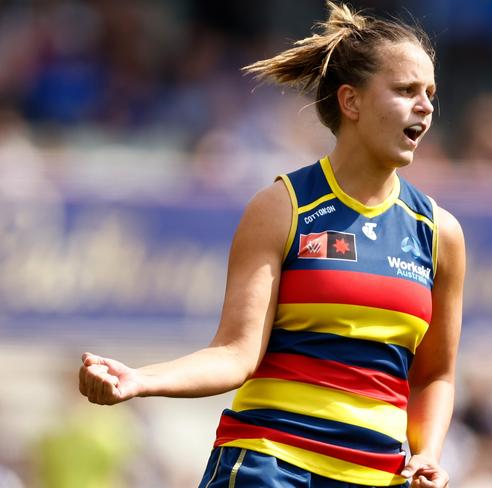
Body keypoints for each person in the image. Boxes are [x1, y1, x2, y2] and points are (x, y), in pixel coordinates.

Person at [78, 3, 465, 487]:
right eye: (406, 90)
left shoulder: (438, 232)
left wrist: (427, 453)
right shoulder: (283, 207)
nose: (426, 106)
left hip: (376, 477)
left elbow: (434, 377)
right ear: (352, 102)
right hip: (271, 464)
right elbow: (235, 353)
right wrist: (140, 380)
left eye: (430, 92)